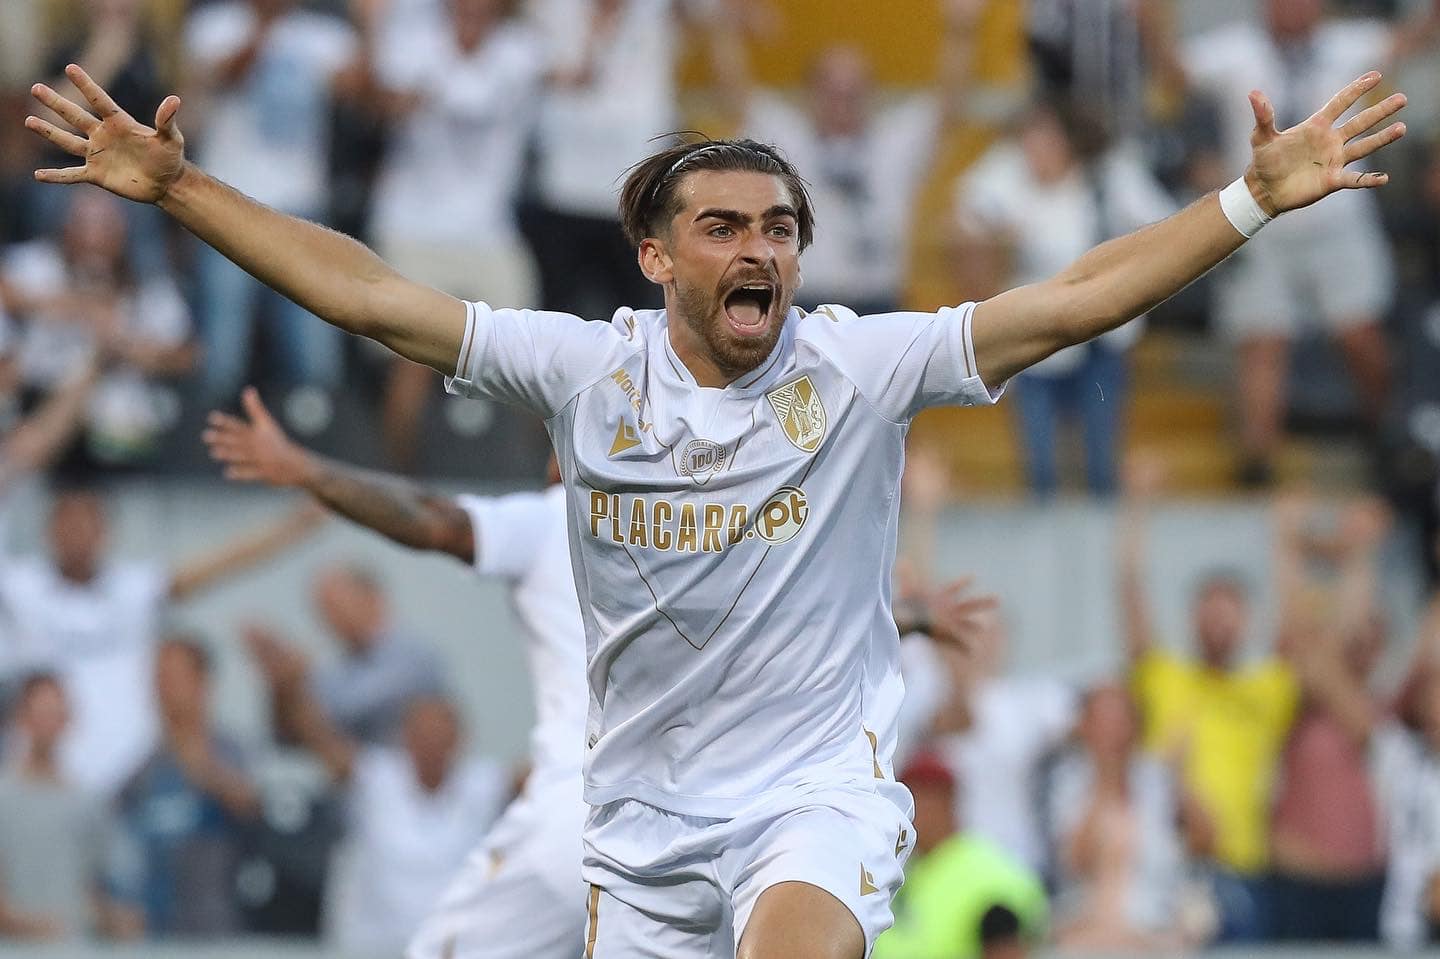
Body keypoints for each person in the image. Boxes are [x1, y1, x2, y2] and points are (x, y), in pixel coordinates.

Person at [25, 54, 1409, 958]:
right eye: (726, 226)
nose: (762, 249)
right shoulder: (583, 370)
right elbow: (373, 295)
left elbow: (1070, 301)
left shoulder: (858, 366)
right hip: (637, 824)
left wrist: (1244, 201)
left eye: (781, 228)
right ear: (654, 255)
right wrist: (182, 189)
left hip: (808, 797)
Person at [204, 385, 995, 959]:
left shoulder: (554, 517)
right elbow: (785, 628)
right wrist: (905, 616)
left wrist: (308, 470)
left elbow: (433, 520)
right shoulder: (701, 530)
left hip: (577, 814)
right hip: (697, 824)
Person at [1144, 0, 1440, 485]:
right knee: (1262, 341)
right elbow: (1176, 73)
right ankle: (1257, 464)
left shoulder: (1349, 45)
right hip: (1262, 220)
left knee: (1362, 335)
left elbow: (1414, 41)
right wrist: (1148, 20)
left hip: (1338, 219)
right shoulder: (1236, 50)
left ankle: (1394, 439)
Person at [0, 486, 322, 797]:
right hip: (39, 774)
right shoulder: (21, 587)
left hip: (127, 771)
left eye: (86, 525)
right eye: (68, 525)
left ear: (104, 532)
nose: (76, 535)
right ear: (50, 531)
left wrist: (296, 525)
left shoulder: (132, 588)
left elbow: (217, 565)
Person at [953, 97, 1174, 496]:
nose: (1036, 152)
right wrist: (994, 242)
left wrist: (1122, 269)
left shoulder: (1109, 177)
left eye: (1047, 140)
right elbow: (961, 220)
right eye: (1029, 140)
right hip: (1033, 337)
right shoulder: (1007, 172)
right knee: (1040, 464)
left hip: (1100, 336)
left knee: (1101, 461)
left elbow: (1166, 226)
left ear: (1069, 141)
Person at [1117, 456, 1297, 941]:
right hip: (1169, 869)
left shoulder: (1266, 688)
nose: (1218, 620)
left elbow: (1295, 627)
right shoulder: (1166, 677)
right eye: (1209, 608)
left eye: (1229, 610)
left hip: (1242, 868)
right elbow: (1130, 595)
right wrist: (1136, 506)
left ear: (1247, 621)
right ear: (1192, 617)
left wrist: (1283, 535)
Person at [366, 0, 544, 470]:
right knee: (411, 363)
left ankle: (553, 488)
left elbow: (565, 79)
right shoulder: (412, 41)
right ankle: (396, 485)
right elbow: (380, 105)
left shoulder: (520, 51)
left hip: (490, 230)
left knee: (533, 362)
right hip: (414, 227)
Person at [249, 638, 509, 957]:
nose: (431, 746)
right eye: (422, 735)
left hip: (454, 950)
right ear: (404, 737)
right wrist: (292, 687)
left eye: (440, 736)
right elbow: (316, 737)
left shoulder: (483, 782)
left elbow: (548, 770)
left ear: (459, 739)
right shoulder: (374, 777)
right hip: (371, 947)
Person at [737, 0, 985, 315]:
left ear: (871, 92)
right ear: (810, 93)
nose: (843, 102)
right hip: (809, 301)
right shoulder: (789, 140)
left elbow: (949, 104)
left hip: (880, 302)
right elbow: (737, 94)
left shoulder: (893, 143)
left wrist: (961, 29)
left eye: (853, 92)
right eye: (832, 91)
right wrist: (722, 21)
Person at [182, 0, 358, 404]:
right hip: (226, 202)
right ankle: (209, 436)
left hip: (301, 205)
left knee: (314, 348)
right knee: (222, 348)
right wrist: (264, 27)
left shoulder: (324, 34)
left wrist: (369, 28)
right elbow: (224, 78)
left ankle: (313, 434)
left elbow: (357, 95)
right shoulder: (214, 24)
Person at [1267, 495, 1393, 942]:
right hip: (1302, 881)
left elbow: (1349, 634)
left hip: (1366, 882)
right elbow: (1314, 644)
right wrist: (1291, 547)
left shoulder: (1380, 708)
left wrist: (1358, 555)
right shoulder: (1295, 698)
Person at [0, 188, 194, 472]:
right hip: (33, 393)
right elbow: (7, 291)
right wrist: (77, 306)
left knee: (96, 380)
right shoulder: (40, 263)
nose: (93, 238)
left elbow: (187, 355)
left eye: (105, 226)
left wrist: (126, 346)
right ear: (64, 226)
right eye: (83, 224)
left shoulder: (148, 286)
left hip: (115, 421)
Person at [113, 636, 260, 938]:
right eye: (158, 679)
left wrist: (203, 768)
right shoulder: (142, 772)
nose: (163, 690)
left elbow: (253, 809)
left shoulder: (233, 753)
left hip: (216, 931)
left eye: (173, 678)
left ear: (203, 683)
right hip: (157, 934)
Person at [1046, 682, 1190, 952]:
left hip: (1156, 917)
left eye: (1121, 721)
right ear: (1084, 727)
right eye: (1104, 722)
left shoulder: (1157, 778)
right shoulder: (1066, 781)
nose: (1114, 732)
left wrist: (1183, 780)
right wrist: (1106, 781)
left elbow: (1206, 843)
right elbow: (1076, 861)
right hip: (1088, 917)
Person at [0, 673, 138, 941]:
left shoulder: (89, 801)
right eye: (40, 714)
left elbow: (95, 886)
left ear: (68, 719)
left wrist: (113, 919)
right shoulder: (4, 797)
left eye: (55, 714)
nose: (47, 724)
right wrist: (34, 928)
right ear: (21, 717)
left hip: (76, 947)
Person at [871, 751, 1048, 959]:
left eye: (913, 802)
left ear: (944, 801)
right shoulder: (905, 868)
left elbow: (1007, 951)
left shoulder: (987, 874)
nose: (903, 816)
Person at [304, 563, 445, 745]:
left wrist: (303, 693)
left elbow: (350, 708)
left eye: (336, 606)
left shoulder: (415, 654)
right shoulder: (338, 670)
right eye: (324, 611)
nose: (331, 619)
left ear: (372, 598)